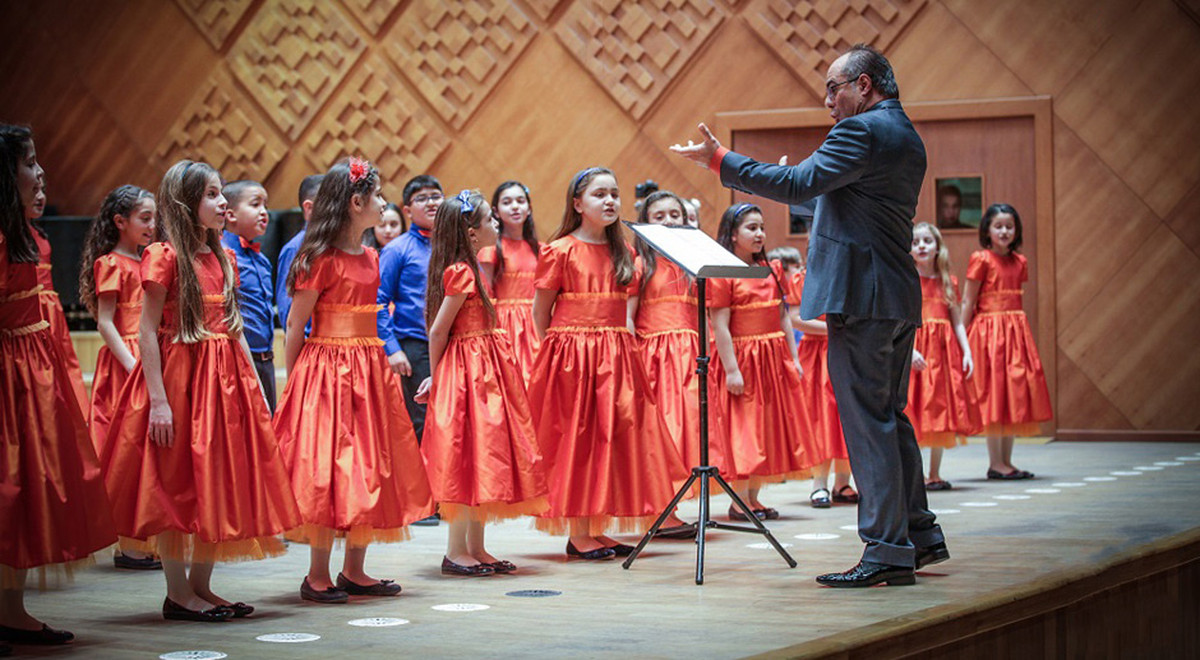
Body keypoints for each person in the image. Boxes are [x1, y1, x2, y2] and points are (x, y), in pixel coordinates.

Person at [671, 44, 946, 587]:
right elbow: (848, 202)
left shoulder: (860, 130)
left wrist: (719, 160)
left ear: (863, 85)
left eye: (833, 88)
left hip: (861, 298)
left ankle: (887, 550)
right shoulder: (905, 135)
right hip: (892, 294)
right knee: (890, 419)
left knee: (869, 425)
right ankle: (919, 534)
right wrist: (800, 184)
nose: (827, 100)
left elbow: (801, 185)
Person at [100, 160, 301, 622]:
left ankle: (201, 587)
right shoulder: (164, 257)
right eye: (212, 194)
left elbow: (235, 331)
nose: (222, 202)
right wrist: (159, 401)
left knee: (217, 481)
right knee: (177, 485)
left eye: (221, 193)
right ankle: (177, 594)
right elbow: (147, 331)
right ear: (185, 202)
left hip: (226, 381)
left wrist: (258, 394)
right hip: (182, 381)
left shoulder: (223, 257)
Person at [274, 158, 433, 603]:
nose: (385, 203)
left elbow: (375, 318)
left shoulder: (372, 256)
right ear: (356, 203)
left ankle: (355, 570)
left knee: (371, 465)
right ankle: (317, 574)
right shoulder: (316, 258)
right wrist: (296, 381)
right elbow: (296, 325)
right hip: (326, 372)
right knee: (329, 469)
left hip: (368, 370)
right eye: (379, 196)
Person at [528, 167, 685, 560]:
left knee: (610, 440)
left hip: (616, 354)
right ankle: (579, 531)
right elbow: (540, 313)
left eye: (614, 193)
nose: (610, 201)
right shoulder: (559, 249)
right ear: (578, 204)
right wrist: (562, 353)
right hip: (573, 357)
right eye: (600, 194)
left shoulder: (625, 253)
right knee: (578, 442)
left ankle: (597, 528)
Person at [1, 124, 116, 648]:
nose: (40, 171)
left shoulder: (34, 239)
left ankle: (11, 609)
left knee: (25, 490)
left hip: (31, 373)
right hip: (8, 372)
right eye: (29, 161)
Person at [416, 190, 549, 577]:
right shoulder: (461, 271)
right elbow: (439, 331)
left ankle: (476, 546)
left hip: (486, 366)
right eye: (490, 220)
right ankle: (456, 550)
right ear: (472, 233)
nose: (496, 225)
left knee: (483, 455)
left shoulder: (471, 267)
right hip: (469, 370)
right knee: (465, 454)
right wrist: (439, 377)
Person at [629, 190, 727, 539]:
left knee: (689, 430)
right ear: (645, 223)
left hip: (688, 358)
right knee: (663, 431)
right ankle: (659, 510)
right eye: (660, 216)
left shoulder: (693, 268)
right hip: (654, 357)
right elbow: (628, 317)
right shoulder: (641, 264)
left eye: (676, 214)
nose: (669, 221)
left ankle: (674, 505)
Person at [709, 204, 812, 520]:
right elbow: (720, 325)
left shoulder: (772, 269)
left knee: (766, 428)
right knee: (746, 428)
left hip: (772, 357)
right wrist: (731, 369)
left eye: (761, 228)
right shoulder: (723, 271)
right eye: (751, 228)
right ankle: (739, 498)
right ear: (732, 234)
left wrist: (792, 358)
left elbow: (783, 316)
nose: (759, 234)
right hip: (744, 358)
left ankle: (754, 497)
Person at [79, 184, 162, 570]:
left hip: (146, 355)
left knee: (147, 453)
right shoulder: (110, 263)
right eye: (144, 218)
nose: (152, 225)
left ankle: (143, 536)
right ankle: (127, 544)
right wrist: (133, 366)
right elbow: (106, 322)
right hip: (126, 364)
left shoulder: (148, 260)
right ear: (120, 222)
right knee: (125, 451)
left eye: (153, 218)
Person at [961, 204, 1052, 480]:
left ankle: (1007, 461)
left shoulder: (1020, 262)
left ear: (1016, 230)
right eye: (998, 226)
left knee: (1013, 393)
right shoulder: (981, 259)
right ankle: (996, 463)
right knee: (994, 394)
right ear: (987, 230)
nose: (1004, 231)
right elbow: (968, 300)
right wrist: (961, 337)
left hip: (1014, 333)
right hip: (989, 335)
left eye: (1009, 226)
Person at [768, 245, 857, 509]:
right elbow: (795, 319)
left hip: (847, 350)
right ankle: (819, 484)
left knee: (846, 417)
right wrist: (838, 329)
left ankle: (843, 482)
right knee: (821, 416)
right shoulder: (802, 279)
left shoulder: (852, 275)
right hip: (817, 353)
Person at [907, 223, 980, 490]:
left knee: (940, 410)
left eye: (927, 241)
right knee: (914, 409)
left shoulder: (949, 280)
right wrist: (909, 350)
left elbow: (957, 321)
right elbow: (902, 321)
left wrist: (967, 351)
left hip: (943, 351)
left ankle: (934, 473)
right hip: (916, 348)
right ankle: (912, 475)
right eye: (916, 242)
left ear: (938, 247)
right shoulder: (907, 279)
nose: (922, 246)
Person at [378, 174, 443, 443]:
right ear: (407, 210)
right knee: (423, 422)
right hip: (416, 346)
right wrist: (392, 348)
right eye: (422, 198)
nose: (431, 203)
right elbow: (378, 302)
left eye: (436, 196)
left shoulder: (451, 245)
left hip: (451, 345)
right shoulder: (396, 249)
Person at [476, 180, 541, 383]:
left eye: (520, 201)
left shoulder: (542, 249)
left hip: (536, 322)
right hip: (505, 325)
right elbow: (485, 294)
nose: (515, 206)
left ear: (529, 208)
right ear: (496, 211)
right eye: (507, 202)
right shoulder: (491, 249)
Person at [221, 180, 277, 410]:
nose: (263, 211)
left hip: (266, 359)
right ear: (231, 215)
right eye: (255, 204)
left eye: (265, 205)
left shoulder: (261, 260)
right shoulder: (222, 256)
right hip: (238, 360)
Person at [276, 174, 324, 333]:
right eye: (329, 203)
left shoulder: (336, 246)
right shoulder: (295, 249)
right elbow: (288, 313)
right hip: (311, 348)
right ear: (309, 208)